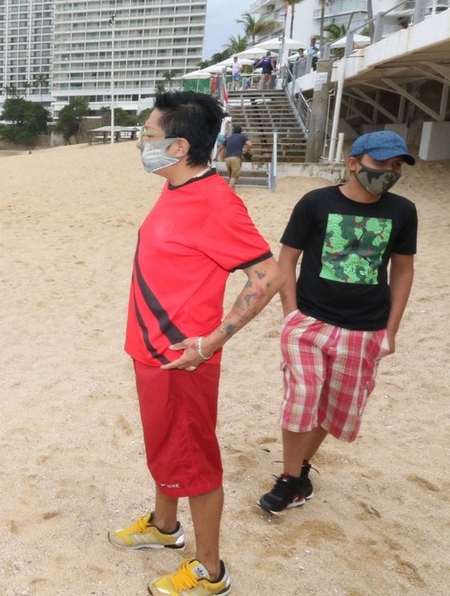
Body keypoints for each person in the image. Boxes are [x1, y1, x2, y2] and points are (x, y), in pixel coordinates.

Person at [108, 91, 284, 596]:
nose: (140, 144)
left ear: (180, 146)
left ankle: (210, 571)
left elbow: (267, 276)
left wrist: (210, 342)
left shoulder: (214, 201)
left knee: (196, 459)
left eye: (149, 135)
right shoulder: (177, 188)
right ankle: (165, 529)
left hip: (182, 360)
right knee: (168, 449)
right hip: (152, 353)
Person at [258, 130, 417, 514]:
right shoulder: (315, 203)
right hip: (309, 322)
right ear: (353, 163)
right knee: (302, 399)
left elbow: (402, 271)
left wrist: (390, 331)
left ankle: (299, 473)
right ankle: (288, 479)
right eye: (381, 164)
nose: (390, 172)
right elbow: (287, 260)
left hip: (366, 328)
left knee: (334, 409)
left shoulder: (402, 211)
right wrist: (291, 315)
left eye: (396, 166)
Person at [222, 125, 252, 190]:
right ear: (240, 131)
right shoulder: (242, 137)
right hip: (236, 157)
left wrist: (217, 156)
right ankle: (229, 189)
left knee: (231, 175)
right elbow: (249, 144)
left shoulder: (229, 138)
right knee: (234, 175)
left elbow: (221, 147)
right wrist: (248, 150)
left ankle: (233, 189)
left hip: (227, 158)